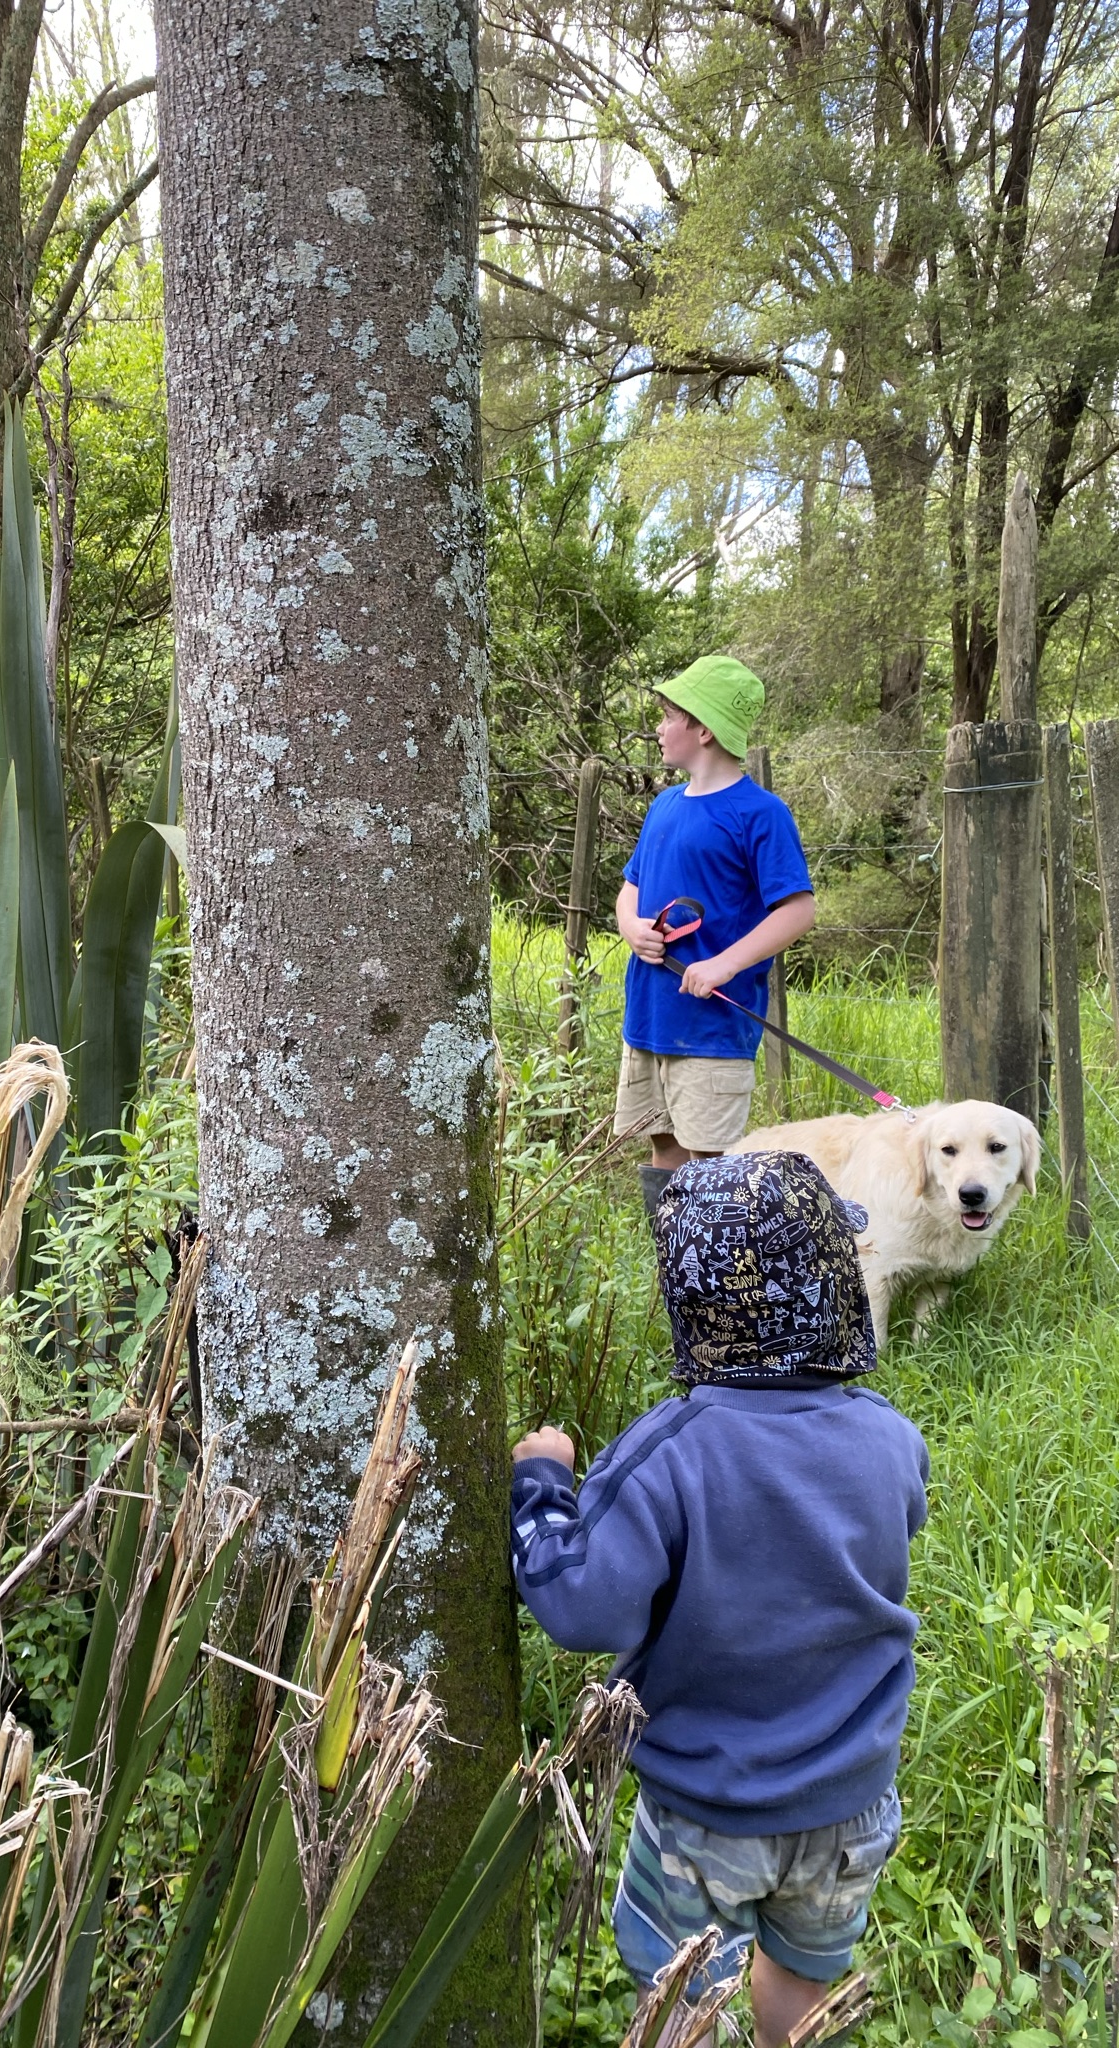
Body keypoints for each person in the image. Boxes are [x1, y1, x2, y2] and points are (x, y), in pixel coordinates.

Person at [511, 1153, 929, 2048]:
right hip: (851, 1802)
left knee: (684, 2003)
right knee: (805, 1978)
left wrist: (542, 1486)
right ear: (832, 1284)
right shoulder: (892, 1439)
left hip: (710, 1811)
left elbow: (580, 1606)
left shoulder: (673, 1451)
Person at [615, 655, 815, 1216]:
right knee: (663, 1148)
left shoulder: (761, 814)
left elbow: (798, 910)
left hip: (712, 1029)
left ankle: (713, 1290)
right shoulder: (663, 806)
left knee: (709, 1167)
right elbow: (630, 888)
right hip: (651, 1018)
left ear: (703, 729)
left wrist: (723, 965)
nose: (658, 727)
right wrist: (632, 929)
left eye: (669, 715)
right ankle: (674, 1280)